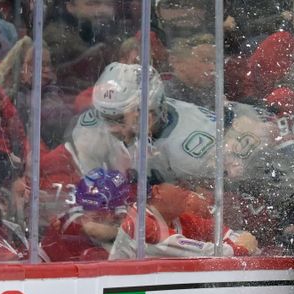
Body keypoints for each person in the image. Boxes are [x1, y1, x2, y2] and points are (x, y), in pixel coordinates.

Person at [40, 62, 275, 190]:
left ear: (149, 114)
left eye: (118, 119)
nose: (109, 128)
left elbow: (223, 208)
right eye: (103, 116)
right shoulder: (90, 129)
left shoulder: (191, 151)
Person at [109, 182, 258, 259]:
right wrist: (240, 248)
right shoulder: (142, 225)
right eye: (179, 187)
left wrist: (241, 242)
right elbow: (204, 253)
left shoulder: (177, 217)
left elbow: (221, 232)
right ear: (157, 191)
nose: (187, 191)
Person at [40, 168, 130, 262]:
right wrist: (119, 234)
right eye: (86, 207)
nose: (90, 214)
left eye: (99, 211)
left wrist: (118, 233)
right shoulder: (69, 223)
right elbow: (90, 228)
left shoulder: (126, 218)